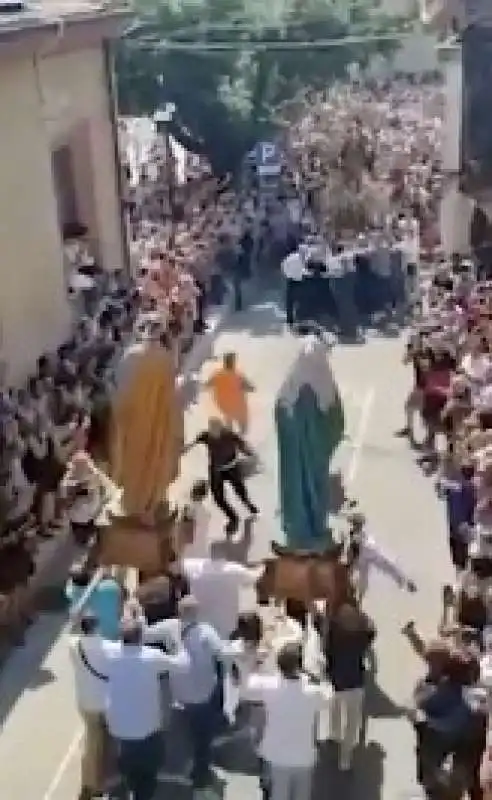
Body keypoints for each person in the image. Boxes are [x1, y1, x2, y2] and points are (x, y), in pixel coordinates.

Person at [80, 616, 187, 800]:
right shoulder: (151, 656)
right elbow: (183, 665)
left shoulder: (108, 654)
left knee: (129, 775)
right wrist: (178, 642)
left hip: (120, 734)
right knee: (147, 781)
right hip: (147, 735)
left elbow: (92, 641)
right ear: (141, 637)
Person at [143, 595, 242, 789]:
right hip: (202, 695)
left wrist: (136, 615)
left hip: (178, 695)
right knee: (202, 738)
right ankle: (200, 774)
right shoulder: (206, 632)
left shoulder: (169, 627)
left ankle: (178, 768)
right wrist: (236, 667)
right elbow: (224, 654)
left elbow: (145, 635)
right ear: (196, 613)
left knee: (180, 734)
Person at [244, 641, 329, 800]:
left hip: (277, 756)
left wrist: (256, 665)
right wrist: (315, 677)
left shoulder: (270, 687)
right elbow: (328, 696)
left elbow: (249, 687)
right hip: (303, 757)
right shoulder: (312, 693)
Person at [318, 603, 376, 771]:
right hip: (355, 683)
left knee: (335, 709)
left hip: (335, 682)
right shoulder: (362, 637)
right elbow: (371, 628)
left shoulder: (333, 636)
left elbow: (324, 647)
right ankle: (345, 758)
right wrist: (363, 616)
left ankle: (334, 735)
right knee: (352, 722)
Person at [185, 417, 258, 535]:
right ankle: (233, 518)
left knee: (240, 491)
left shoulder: (229, 435)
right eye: (212, 430)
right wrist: (186, 448)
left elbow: (242, 445)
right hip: (216, 470)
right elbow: (194, 442)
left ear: (221, 428)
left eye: (216, 430)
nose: (214, 433)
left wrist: (250, 454)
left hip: (232, 467)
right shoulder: (206, 436)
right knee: (218, 498)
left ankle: (248, 504)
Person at [68, 612, 109, 800]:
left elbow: (73, 630)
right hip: (104, 702)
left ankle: (92, 784)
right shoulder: (108, 647)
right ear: (97, 626)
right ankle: (92, 785)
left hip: (84, 701)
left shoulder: (73, 645)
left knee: (93, 740)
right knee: (97, 745)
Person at [66, 565, 123, 641]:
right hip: (114, 634)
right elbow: (121, 591)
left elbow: (71, 583)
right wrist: (104, 576)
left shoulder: (71, 592)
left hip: (94, 640)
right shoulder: (110, 586)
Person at [206, 351, 255, 435]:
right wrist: (247, 387)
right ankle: (240, 439)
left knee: (228, 418)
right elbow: (250, 388)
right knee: (243, 425)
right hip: (238, 406)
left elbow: (207, 385)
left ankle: (230, 434)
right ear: (233, 363)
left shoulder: (217, 375)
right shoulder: (238, 376)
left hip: (224, 406)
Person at [281, 247, 305, 325]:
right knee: (300, 299)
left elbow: (283, 265)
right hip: (300, 281)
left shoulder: (290, 257)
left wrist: (287, 274)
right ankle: (299, 318)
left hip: (291, 280)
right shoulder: (303, 258)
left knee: (290, 301)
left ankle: (290, 319)